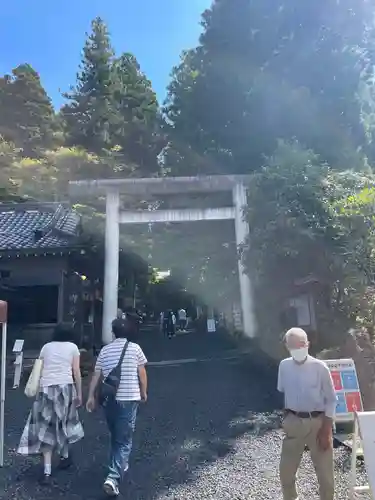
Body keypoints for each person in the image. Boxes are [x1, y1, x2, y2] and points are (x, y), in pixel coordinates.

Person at [86, 318, 148, 497]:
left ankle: (120, 463)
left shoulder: (105, 350)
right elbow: (141, 372)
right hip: (129, 398)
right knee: (124, 439)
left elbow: (96, 375)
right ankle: (113, 478)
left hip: (109, 399)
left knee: (116, 435)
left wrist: (91, 396)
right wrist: (144, 392)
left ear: (113, 332)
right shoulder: (135, 348)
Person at [18, 323, 84, 485]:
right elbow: (76, 372)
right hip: (65, 389)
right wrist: (80, 393)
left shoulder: (46, 347)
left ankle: (47, 471)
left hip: (46, 390)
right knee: (64, 424)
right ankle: (65, 457)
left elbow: (39, 368)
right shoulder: (73, 347)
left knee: (46, 428)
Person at [278, 327, 337, 500]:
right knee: (286, 473)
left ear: (308, 344)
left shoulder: (320, 368)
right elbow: (283, 391)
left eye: (301, 344)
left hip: (318, 424)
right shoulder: (284, 366)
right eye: (293, 346)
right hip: (293, 422)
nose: (298, 349)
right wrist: (286, 419)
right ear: (287, 346)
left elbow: (332, 400)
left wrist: (326, 430)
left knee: (326, 477)